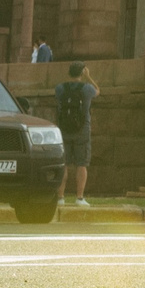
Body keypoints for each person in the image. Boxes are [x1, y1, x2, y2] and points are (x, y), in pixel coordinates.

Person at [53, 64, 97, 207]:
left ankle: (60, 197)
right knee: (81, 164)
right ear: (82, 72)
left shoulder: (60, 88)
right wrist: (89, 76)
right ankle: (79, 198)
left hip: (64, 129)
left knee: (63, 164)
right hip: (82, 130)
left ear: (69, 72)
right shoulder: (87, 89)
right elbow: (98, 91)